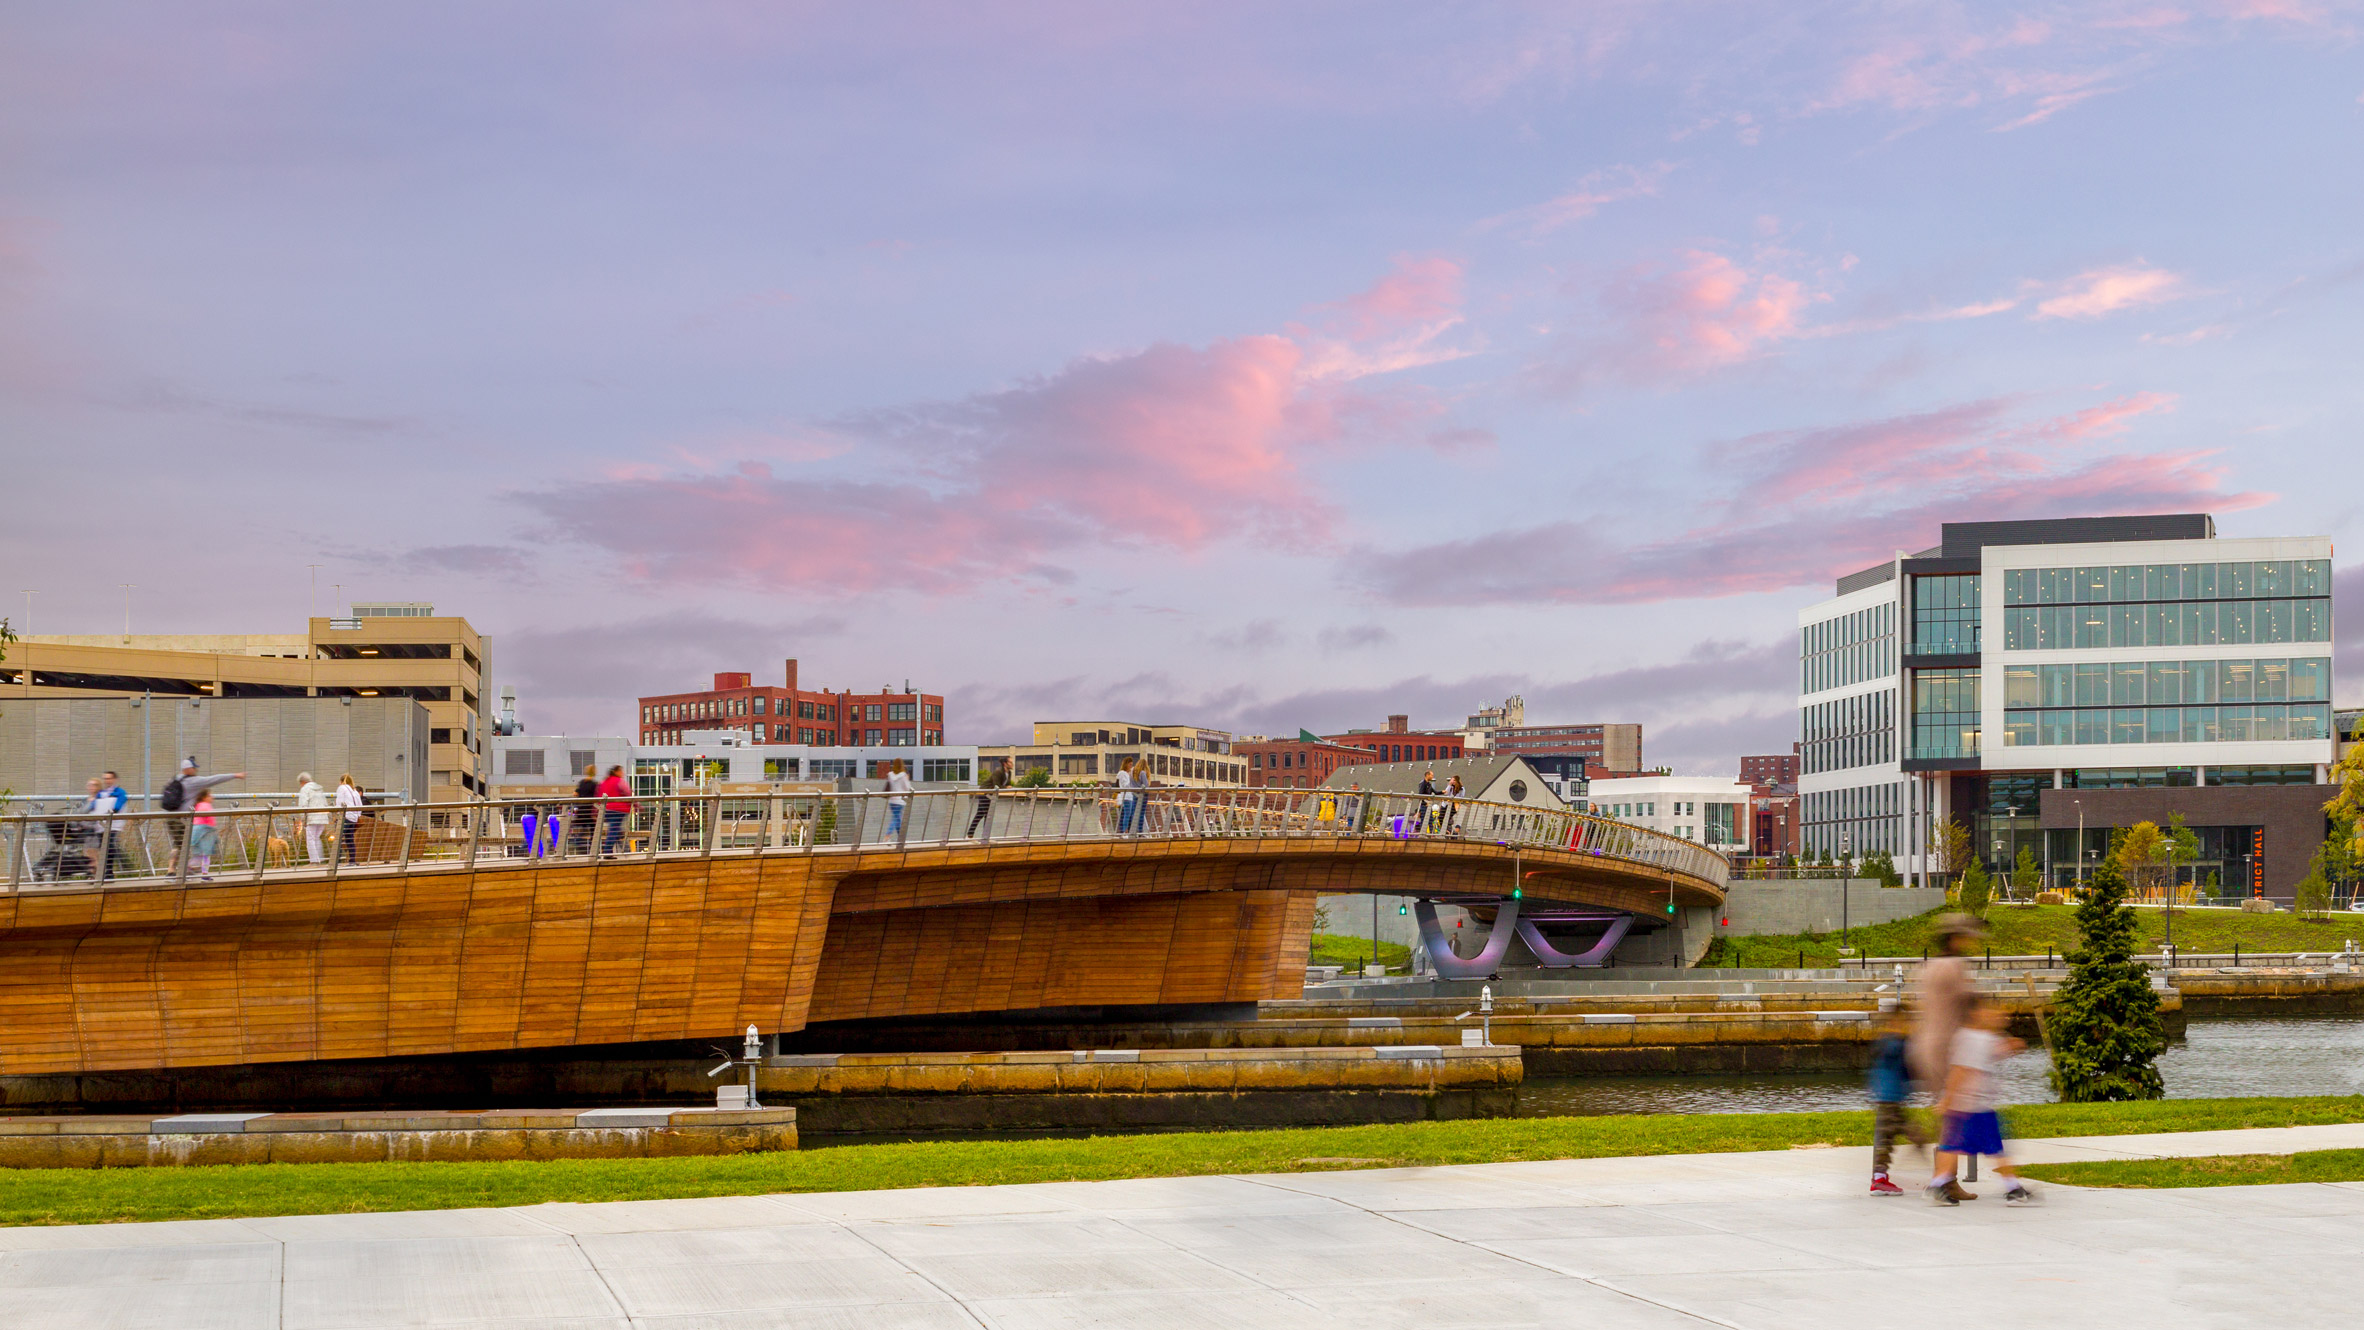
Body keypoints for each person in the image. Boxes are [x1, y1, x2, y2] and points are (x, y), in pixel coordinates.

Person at [1928, 998, 2038, 1207]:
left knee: (1952, 1146)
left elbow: (1994, 1052)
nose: (1997, 1017)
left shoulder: (1980, 1037)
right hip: (1973, 1105)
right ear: (1976, 1014)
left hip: (1972, 1104)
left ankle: (1938, 1184)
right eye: (1991, 1013)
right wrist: (1948, 1100)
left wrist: (2012, 1046)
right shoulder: (1972, 1038)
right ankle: (2014, 1189)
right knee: (1992, 1147)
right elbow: (1960, 1070)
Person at [1910, 914, 1984, 1204]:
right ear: (1956, 938)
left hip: (1926, 1045)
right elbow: (1970, 1004)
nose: (1971, 942)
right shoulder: (1953, 966)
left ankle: (1947, 1179)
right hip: (1945, 1047)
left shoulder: (1931, 965)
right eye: (1967, 937)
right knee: (1954, 1114)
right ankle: (1943, 1181)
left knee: (1952, 1113)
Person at [1866, 1003, 1930, 1195]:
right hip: (1890, 1098)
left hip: (1889, 1096)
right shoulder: (1896, 1043)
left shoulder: (1886, 1041)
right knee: (1892, 1138)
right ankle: (1879, 1180)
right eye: (1905, 1021)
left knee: (1889, 1138)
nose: (1908, 1024)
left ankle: (1880, 1178)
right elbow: (1909, 1068)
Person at [161, 760, 244, 874]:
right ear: (189, 769)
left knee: (177, 844)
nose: (195, 770)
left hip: (170, 816)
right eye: (194, 768)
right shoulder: (194, 781)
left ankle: (171, 868)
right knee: (186, 843)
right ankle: (184, 870)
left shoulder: (174, 779)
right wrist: (234, 775)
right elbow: (214, 779)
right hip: (183, 818)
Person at [95, 771, 133, 880]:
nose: (107, 781)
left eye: (109, 778)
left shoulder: (120, 792)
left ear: (114, 780)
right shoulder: (101, 793)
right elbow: (95, 805)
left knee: (110, 846)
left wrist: (112, 811)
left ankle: (109, 871)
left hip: (114, 825)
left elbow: (119, 804)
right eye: (105, 779)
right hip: (101, 825)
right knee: (103, 847)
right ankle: (103, 871)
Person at [296, 772, 331, 865]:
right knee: (317, 838)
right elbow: (325, 803)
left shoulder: (305, 789)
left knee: (310, 839)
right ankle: (320, 858)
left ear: (302, 782)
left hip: (311, 817)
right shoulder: (319, 788)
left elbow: (303, 804)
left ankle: (314, 861)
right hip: (322, 816)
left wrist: (303, 819)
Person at [596, 765, 632, 856]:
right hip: (619, 810)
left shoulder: (603, 782)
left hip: (606, 810)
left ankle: (626, 851)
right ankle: (608, 852)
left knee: (616, 829)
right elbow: (628, 793)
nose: (622, 773)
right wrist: (636, 805)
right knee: (614, 830)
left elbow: (599, 795)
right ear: (616, 772)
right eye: (621, 771)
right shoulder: (620, 782)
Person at [187, 789, 220, 880]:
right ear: (204, 797)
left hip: (198, 831)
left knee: (199, 854)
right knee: (205, 854)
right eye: (210, 795)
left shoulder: (197, 805)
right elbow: (209, 817)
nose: (212, 797)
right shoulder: (205, 805)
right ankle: (201, 872)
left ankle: (194, 870)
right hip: (205, 832)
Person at [968, 762, 1006, 838]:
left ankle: (970, 834)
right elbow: (997, 785)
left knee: (980, 814)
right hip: (985, 794)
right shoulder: (998, 772)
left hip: (987, 794)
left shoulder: (1007, 774)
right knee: (987, 815)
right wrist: (1005, 788)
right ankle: (985, 835)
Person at [568, 767, 599, 856]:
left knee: (579, 828)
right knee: (593, 832)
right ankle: (591, 851)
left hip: (581, 810)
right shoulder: (594, 784)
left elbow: (576, 793)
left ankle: (575, 842)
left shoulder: (582, 782)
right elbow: (596, 796)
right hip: (590, 810)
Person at [334, 773, 365, 861]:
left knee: (338, 839)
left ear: (341, 781)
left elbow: (339, 802)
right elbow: (360, 805)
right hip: (353, 818)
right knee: (349, 839)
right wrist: (357, 815)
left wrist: (337, 815)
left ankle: (337, 861)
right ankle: (352, 860)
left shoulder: (342, 788)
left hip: (345, 816)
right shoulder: (354, 791)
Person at [883, 758, 913, 837]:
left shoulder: (890, 775)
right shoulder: (903, 775)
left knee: (898, 819)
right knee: (895, 818)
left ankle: (901, 838)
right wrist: (907, 779)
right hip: (900, 801)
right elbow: (907, 788)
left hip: (892, 801)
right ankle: (888, 835)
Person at [1116, 757, 1140, 834]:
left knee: (1129, 814)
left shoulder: (1127, 774)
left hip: (1130, 796)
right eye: (1129, 764)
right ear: (1126, 764)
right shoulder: (1122, 773)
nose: (1130, 766)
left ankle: (1128, 830)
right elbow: (1125, 785)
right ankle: (1124, 831)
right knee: (1127, 814)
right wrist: (1131, 782)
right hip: (1126, 796)